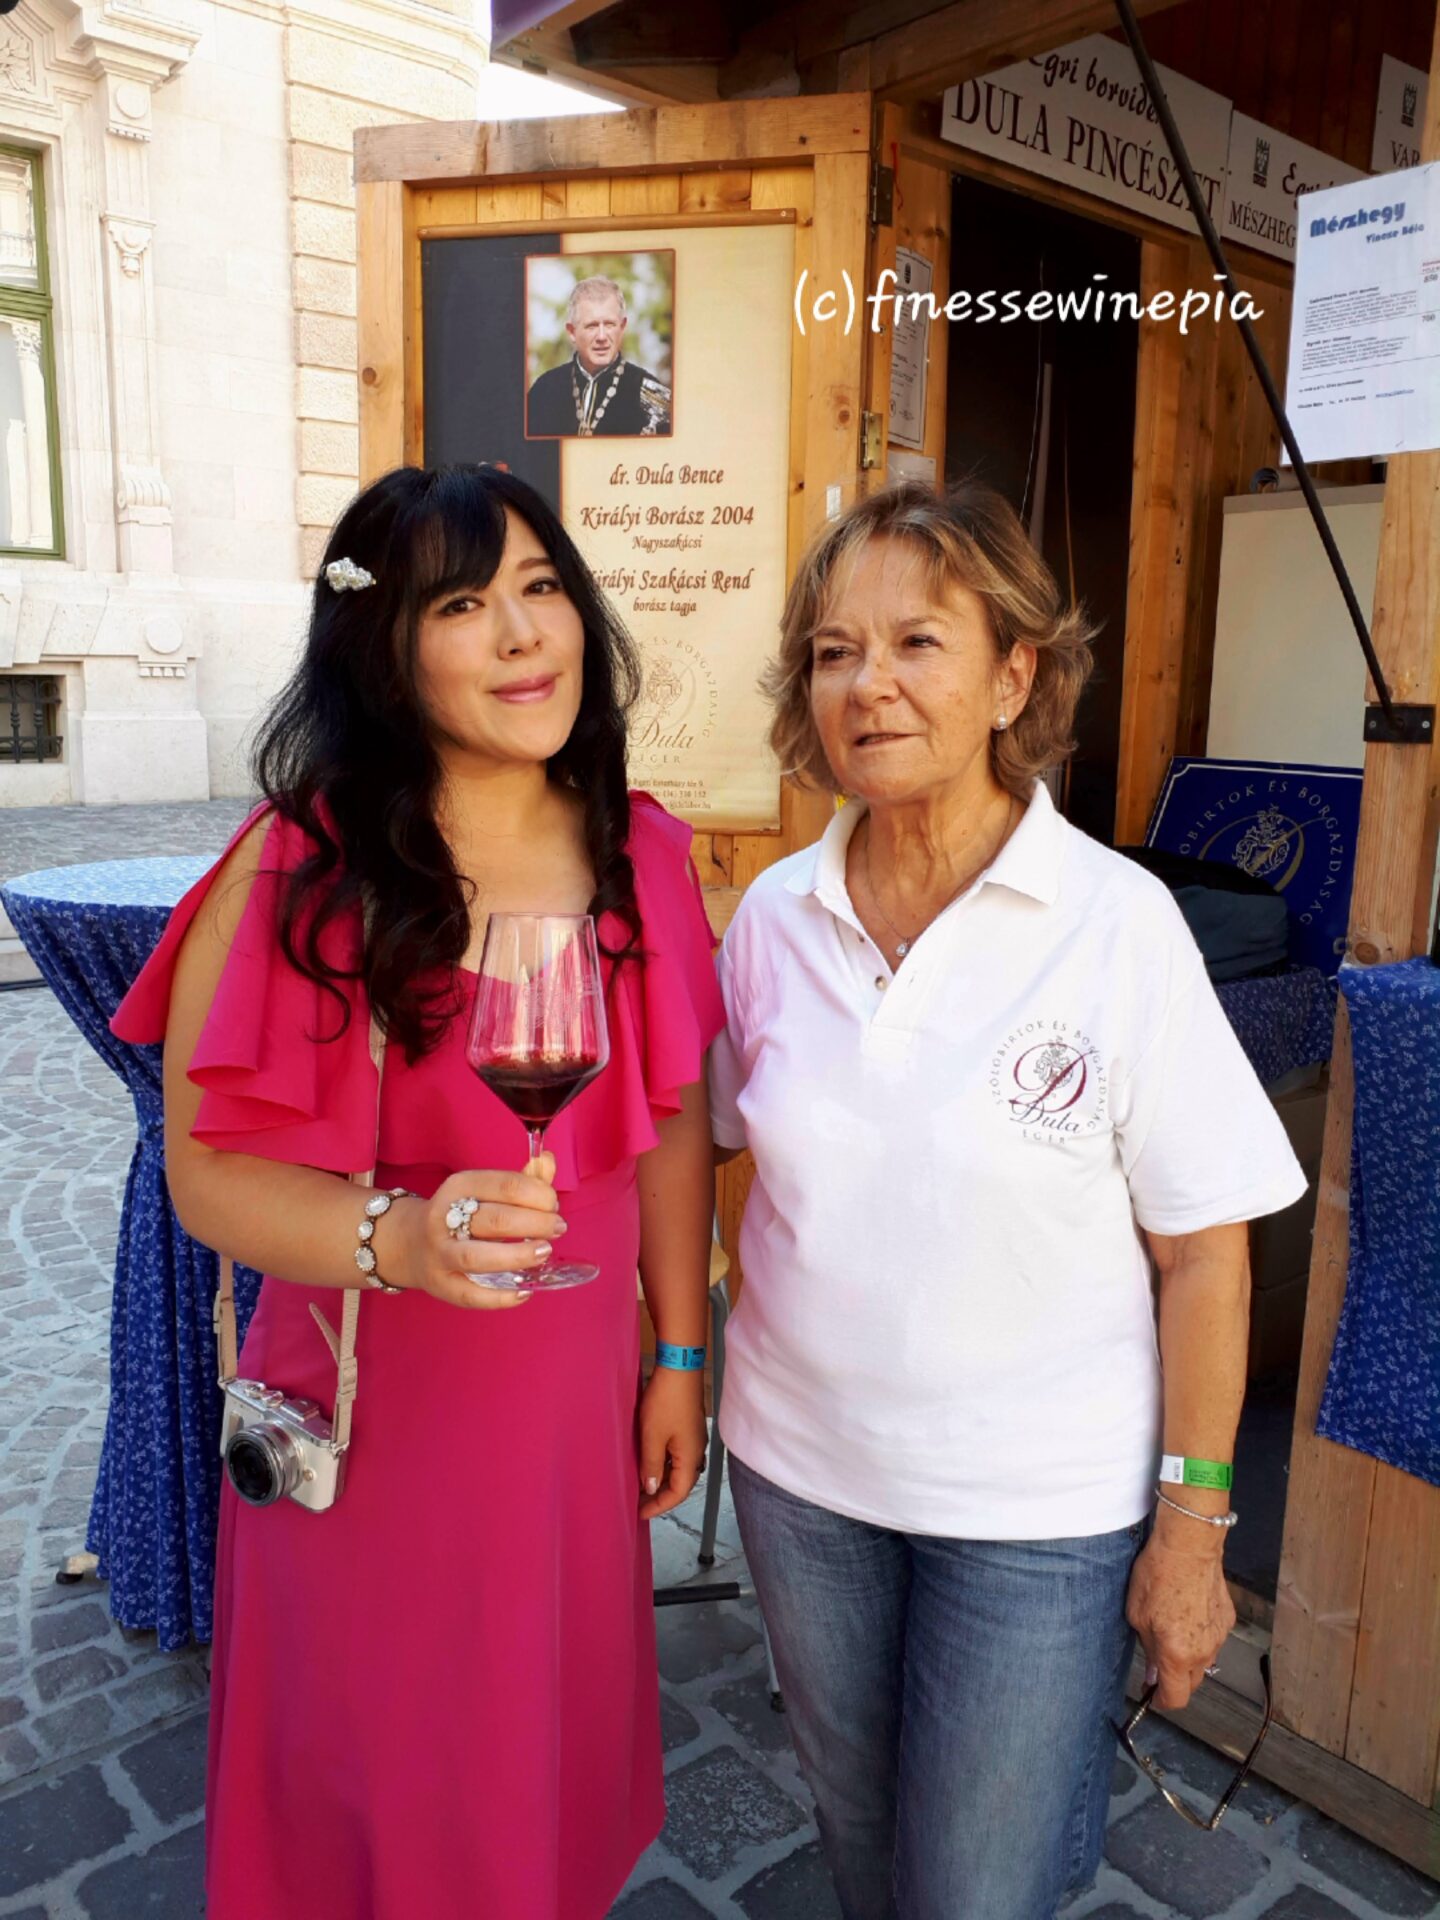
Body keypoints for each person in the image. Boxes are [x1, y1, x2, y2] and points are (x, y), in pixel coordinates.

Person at [111, 464, 723, 1920]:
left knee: (531, 1770)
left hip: (567, 1409)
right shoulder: (299, 867)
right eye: (461, 605)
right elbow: (207, 1173)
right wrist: (397, 1236)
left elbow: (672, 1124)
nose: (523, 635)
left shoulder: (640, 850)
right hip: (373, 1413)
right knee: (384, 1780)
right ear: (384, 650)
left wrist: (679, 1353)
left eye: (540, 588)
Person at [707, 481, 1307, 1920]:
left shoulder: (1117, 925)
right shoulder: (777, 916)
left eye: (918, 641)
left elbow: (1205, 1257)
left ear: (1013, 677)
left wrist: (1194, 1528)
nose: (869, 684)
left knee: (976, 1889)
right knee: (860, 1838)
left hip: (1035, 1520)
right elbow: (724, 1152)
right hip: (802, 1486)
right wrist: (706, 1347)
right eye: (834, 652)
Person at [527, 274, 672, 438]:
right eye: (592, 326)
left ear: (622, 327)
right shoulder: (545, 389)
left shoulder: (652, 394)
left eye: (610, 324)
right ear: (572, 332)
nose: (602, 336)